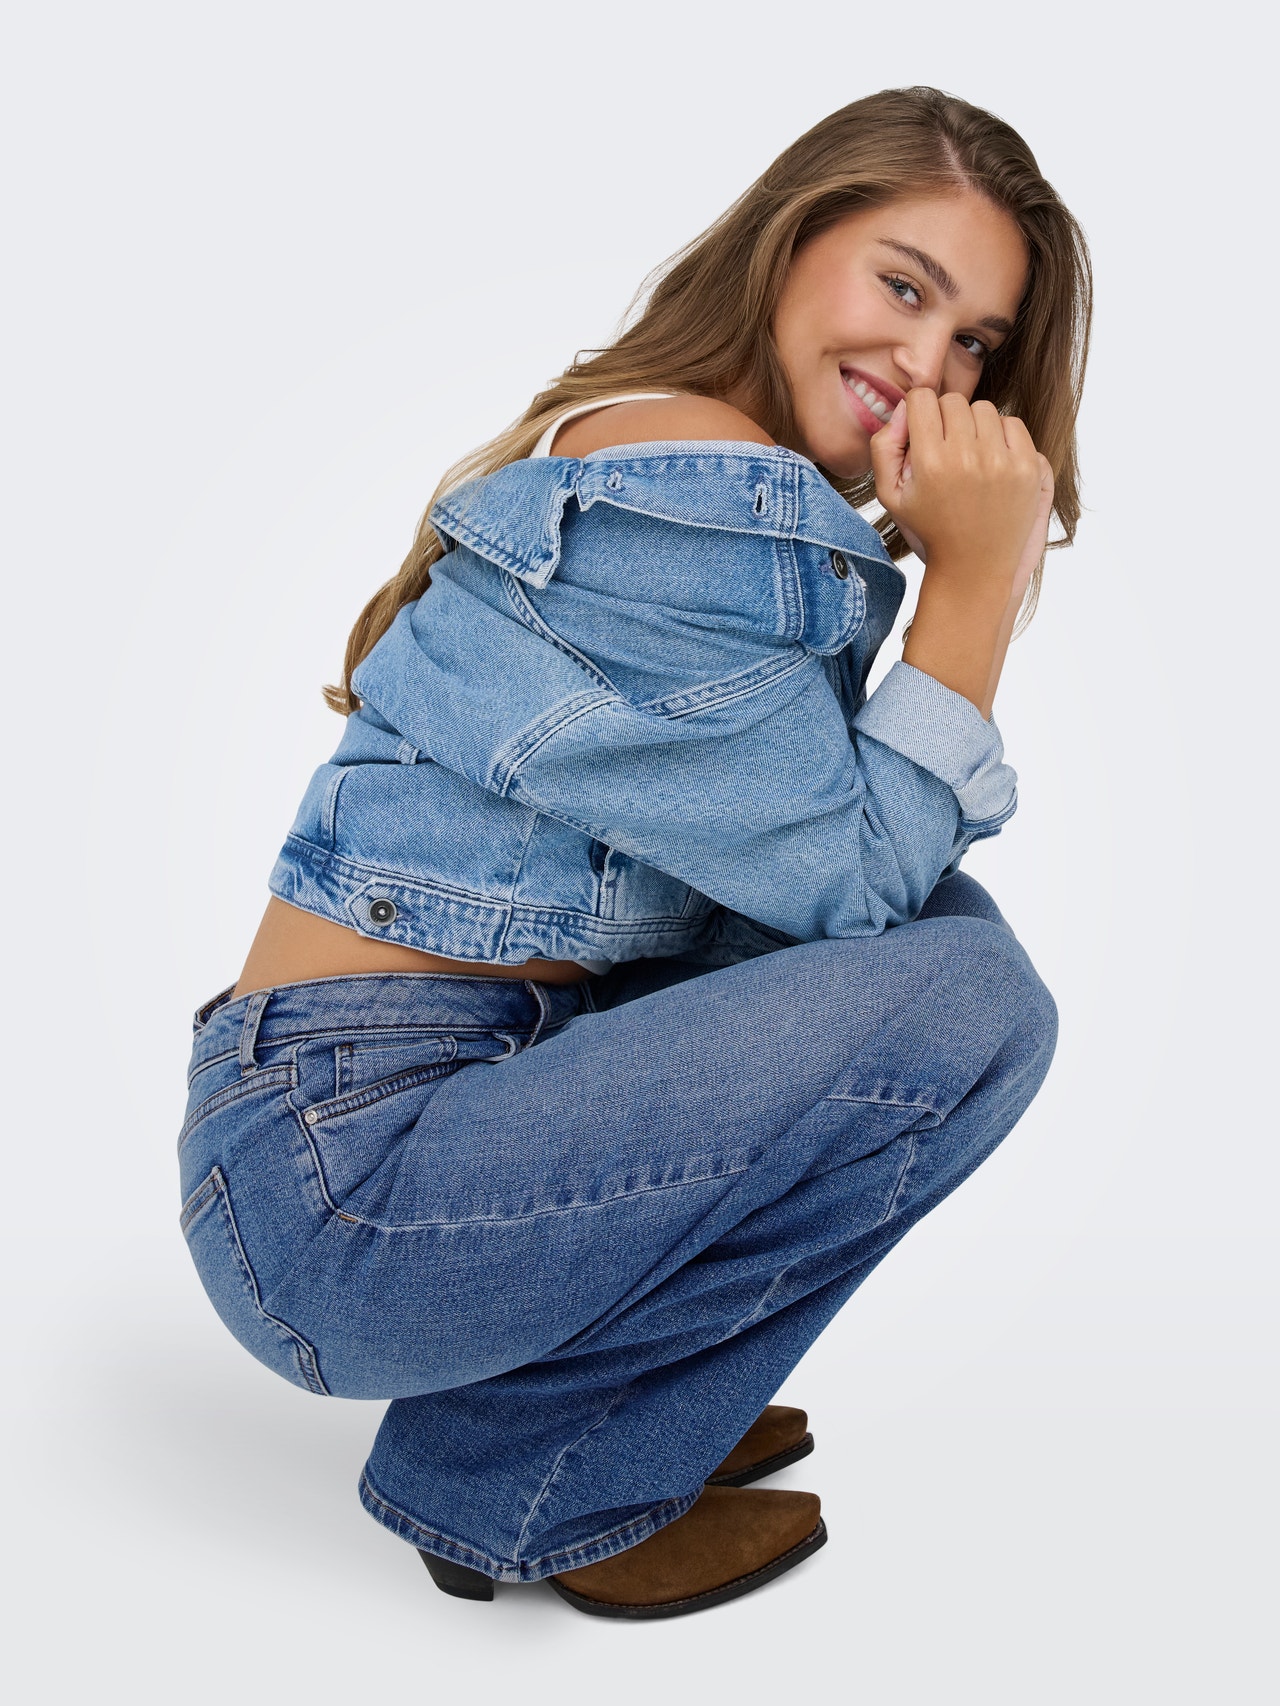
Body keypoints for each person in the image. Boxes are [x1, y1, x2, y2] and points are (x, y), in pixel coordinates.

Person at [178, 85, 1091, 1619]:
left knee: (952, 939)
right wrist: (976, 590)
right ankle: (536, 1473)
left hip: (378, 1123)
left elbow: (815, 919)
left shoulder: (693, 463)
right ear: (790, 244)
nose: (928, 367)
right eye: (903, 286)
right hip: (346, 1181)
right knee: (969, 998)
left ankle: (605, 1407)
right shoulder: (703, 490)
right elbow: (851, 891)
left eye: (976, 344)